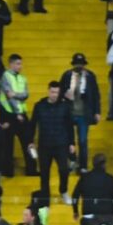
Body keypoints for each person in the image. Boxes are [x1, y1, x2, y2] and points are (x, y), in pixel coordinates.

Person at [30, 80, 76, 214]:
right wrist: (30, 141)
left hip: (61, 144)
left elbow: (69, 126)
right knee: (44, 174)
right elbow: (33, 124)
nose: (54, 94)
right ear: (48, 91)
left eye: (57, 92)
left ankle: (63, 191)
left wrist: (72, 143)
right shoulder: (39, 106)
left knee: (64, 170)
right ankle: (45, 200)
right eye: (52, 91)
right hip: (44, 145)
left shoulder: (65, 106)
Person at [60, 52, 100, 166]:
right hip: (69, 112)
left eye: (81, 64)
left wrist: (97, 111)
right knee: (68, 140)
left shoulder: (90, 76)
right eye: (77, 64)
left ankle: (83, 165)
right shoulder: (66, 76)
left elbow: (96, 95)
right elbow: (60, 92)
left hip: (84, 113)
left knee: (82, 141)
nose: (79, 66)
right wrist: (64, 95)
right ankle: (72, 160)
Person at [0, 51, 30, 176]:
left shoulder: (22, 78)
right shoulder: (5, 76)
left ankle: (31, 169)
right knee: (8, 145)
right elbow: (8, 96)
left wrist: (16, 94)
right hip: (10, 115)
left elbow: (26, 95)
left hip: (22, 113)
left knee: (28, 142)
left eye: (20, 64)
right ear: (10, 64)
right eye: (17, 64)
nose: (20, 66)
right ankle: (8, 171)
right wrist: (17, 113)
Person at [74, 152, 113, 225]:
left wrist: (75, 211)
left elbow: (75, 196)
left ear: (93, 164)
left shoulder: (84, 178)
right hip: (107, 216)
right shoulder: (111, 179)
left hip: (88, 217)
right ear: (104, 164)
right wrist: (112, 214)